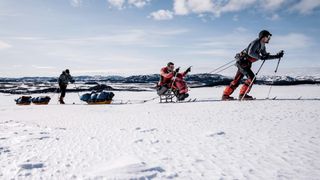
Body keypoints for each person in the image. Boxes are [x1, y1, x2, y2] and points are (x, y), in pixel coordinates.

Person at [222, 30, 284, 100]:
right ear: (263, 37)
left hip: (246, 63)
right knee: (251, 78)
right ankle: (243, 95)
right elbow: (250, 53)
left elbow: (265, 56)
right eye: (268, 36)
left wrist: (277, 56)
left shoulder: (262, 45)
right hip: (243, 62)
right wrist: (260, 57)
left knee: (237, 80)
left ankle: (225, 95)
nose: (269, 38)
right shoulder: (256, 42)